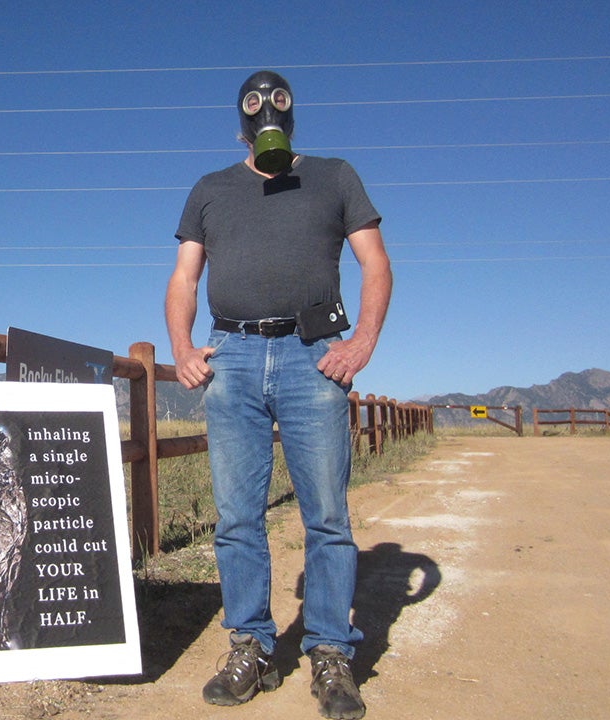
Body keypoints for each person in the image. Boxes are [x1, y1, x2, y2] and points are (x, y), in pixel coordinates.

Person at [164, 70, 392, 720]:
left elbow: (375, 263)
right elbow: (184, 275)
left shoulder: (334, 176)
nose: (268, 114)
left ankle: (329, 651)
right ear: (241, 122)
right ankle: (253, 647)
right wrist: (181, 346)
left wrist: (362, 344)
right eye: (256, 106)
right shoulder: (210, 190)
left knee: (326, 515)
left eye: (278, 103)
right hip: (230, 357)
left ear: (292, 116)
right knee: (237, 517)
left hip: (310, 358)